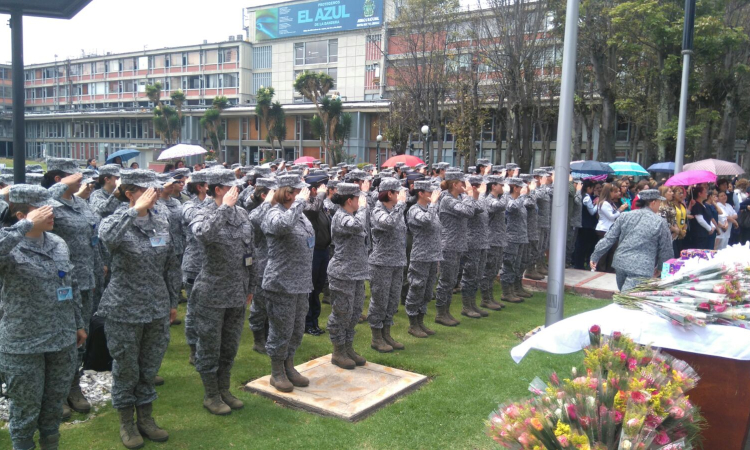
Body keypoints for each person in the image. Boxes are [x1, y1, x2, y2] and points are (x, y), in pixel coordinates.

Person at [0, 185, 87, 450]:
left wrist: (78, 323)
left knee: (52, 408)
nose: (53, 215)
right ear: (21, 215)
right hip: (24, 343)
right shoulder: (10, 244)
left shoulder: (58, 243)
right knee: (25, 411)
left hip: (60, 339)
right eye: (44, 210)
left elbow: (69, 285)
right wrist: (24, 226)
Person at [97, 170, 179, 449]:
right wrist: (134, 212)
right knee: (126, 368)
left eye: (155, 190)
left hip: (155, 305)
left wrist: (171, 301)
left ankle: (145, 417)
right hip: (124, 307)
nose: (154, 194)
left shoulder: (162, 220)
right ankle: (126, 422)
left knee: (149, 367)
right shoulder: (116, 220)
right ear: (130, 192)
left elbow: (170, 264)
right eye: (147, 190)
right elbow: (106, 239)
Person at [189, 169, 253, 416]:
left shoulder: (243, 214)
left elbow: (251, 252)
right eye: (232, 187)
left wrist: (251, 286)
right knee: (209, 346)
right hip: (212, 293)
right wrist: (224, 209)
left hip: (237, 291)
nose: (238, 191)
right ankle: (211, 394)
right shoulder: (202, 212)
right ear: (218, 189)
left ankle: (224, 389)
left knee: (229, 346)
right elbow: (205, 235)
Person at [44, 158, 105, 416]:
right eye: (73, 175)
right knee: (56, 336)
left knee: (80, 336)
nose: (80, 178)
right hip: (57, 283)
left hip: (85, 280)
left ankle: (72, 385)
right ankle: (53, 392)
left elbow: (93, 239)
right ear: (59, 179)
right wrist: (59, 188)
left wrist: (99, 271)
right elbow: (37, 204)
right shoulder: (48, 206)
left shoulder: (81, 204)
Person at [262, 175, 314, 393]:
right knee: (281, 329)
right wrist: (300, 202)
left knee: (296, 328)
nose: (304, 194)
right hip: (281, 282)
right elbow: (282, 226)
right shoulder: (273, 213)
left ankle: (289, 365)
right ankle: (277, 372)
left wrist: (298, 206)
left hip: (301, 281)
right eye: (298, 191)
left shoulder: (299, 215)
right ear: (287, 192)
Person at [591, 189, 674, 292]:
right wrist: (661, 268)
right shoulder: (660, 222)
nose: (659, 205)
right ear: (653, 203)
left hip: (621, 263)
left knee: (627, 297)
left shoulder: (625, 216)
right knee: (628, 300)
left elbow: (608, 238)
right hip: (642, 266)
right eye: (659, 202)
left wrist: (596, 255)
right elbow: (666, 249)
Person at [326, 182, 370, 369]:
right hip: (342, 273)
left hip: (357, 272)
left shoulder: (351, 214)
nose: (361, 201)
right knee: (342, 312)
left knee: (354, 313)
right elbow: (358, 225)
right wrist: (365, 209)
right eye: (358, 198)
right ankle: (338, 351)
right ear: (350, 200)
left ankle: (348, 347)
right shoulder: (341, 217)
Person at [435, 172, 477, 326]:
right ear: (455, 185)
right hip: (449, 245)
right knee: (446, 280)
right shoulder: (447, 199)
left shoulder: (456, 198)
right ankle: (440, 313)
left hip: (457, 244)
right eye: (462, 184)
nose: (465, 187)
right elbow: (468, 211)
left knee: (452, 280)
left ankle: (446, 311)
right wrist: (469, 195)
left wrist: (467, 197)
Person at [404, 180, 442, 338]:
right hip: (421, 256)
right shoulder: (414, 210)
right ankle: (413, 323)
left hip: (432, 255)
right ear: (421, 193)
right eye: (429, 192)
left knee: (427, 291)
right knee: (417, 288)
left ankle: (420, 321)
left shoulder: (430, 209)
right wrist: (433, 204)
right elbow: (426, 221)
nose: (432, 195)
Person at [181, 171, 210, 365]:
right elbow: (200, 224)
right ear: (200, 187)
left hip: (213, 265)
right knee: (194, 308)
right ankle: (193, 347)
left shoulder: (214, 204)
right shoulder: (188, 206)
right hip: (194, 265)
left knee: (209, 308)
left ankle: (207, 345)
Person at [247, 178, 277, 354]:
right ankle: (258, 339)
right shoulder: (257, 211)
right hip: (262, 264)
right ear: (265, 195)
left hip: (277, 264)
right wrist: (267, 203)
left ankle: (269, 335)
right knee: (259, 304)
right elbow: (255, 220)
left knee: (273, 304)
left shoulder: (278, 211)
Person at [302, 174, 331, 336]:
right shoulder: (306, 204)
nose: (323, 190)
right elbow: (312, 211)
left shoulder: (319, 202)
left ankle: (314, 320)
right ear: (312, 189)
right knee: (311, 289)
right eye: (320, 187)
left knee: (318, 288)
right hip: (313, 251)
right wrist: (320, 194)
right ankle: (308, 322)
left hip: (323, 250)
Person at [459, 175, 490, 318]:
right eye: (481, 186)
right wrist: (479, 195)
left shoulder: (478, 200)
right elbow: (478, 209)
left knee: (478, 275)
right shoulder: (467, 201)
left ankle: (473, 304)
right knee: (470, 275)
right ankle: (466, 306)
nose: (484, 188)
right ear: (474, 187)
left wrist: (480, 195)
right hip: (472, 243)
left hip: (482, 242)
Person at [479, 175, 507, 310]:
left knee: (494, 270)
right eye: (501, 185)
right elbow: (500, 207)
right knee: (488, 270)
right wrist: (507, 192)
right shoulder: (488, 200)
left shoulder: (497, 199)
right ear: (493, 186)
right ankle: (485, 299)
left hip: (498, 239)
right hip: (491, 240)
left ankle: (490, 297)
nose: (503, 187)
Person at [594, 183, 627, 273]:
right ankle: (601, 270)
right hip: (604, 230)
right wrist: (620, 209)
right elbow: (611, 216)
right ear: (609, 192)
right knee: (604, 252)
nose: (616, 194)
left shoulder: (609, 203)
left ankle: (610, 269)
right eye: (614, 192)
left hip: (610, 229)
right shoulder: (604, 203)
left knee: (613, 251)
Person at [573, 179, 599, 270]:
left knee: (580, 245)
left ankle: (578, 263)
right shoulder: (587, 197)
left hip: (582, 224)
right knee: (584, 245)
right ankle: (580, 264)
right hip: (587, 225)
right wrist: (597, 204)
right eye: (592, 188)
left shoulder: (581, 195)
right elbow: (592, 212)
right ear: (588, 188)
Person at [687, 185, 715, 250]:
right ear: (699, 194)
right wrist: (709, 228)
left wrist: (713, 227)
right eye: (705, 192)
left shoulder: (704, 205)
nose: (707, 194)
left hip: (705, 234)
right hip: (699, 234)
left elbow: (708, 218)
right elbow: (700, 220)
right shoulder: (696, 205)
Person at [671, 186, 688, 257]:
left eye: (682, 193)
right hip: (674, 234)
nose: (682, 195)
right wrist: (680, 231)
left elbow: (685, 220)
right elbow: (672, 220)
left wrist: (684, 231)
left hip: (682, 235)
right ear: (673, 194)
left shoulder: (682, 205)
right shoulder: (671, 206)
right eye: (679, 193)